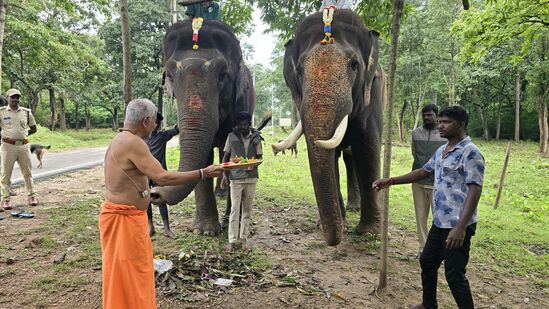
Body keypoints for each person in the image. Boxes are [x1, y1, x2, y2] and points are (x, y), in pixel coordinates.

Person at [99, 98, 224, 309]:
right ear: (146, 121)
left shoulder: (119, 139)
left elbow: (129, 180)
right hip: (124, 221)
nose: (157, 125)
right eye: (155, 120)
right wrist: (203, 172)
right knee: (132, 274)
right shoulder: (134, 142)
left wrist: (147, 192)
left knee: (123, 274)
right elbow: (163, 177)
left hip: (121, 217)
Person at [373, 106, 484, 309]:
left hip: (457, 225)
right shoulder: (442, 150)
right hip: (440, 221)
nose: (441, 125)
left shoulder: (471, 153)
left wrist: (460, 227)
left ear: (460, 125)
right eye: (440, 121)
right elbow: (423, 171)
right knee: (427, 261)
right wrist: (391, 180)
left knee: (454, 274)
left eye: (446, 122)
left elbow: (475, 190)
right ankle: (428, 304)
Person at [221, 111, 263, 252]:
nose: (243, 127)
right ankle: (232, 241)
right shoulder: (231, 137)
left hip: (251, 178)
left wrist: (254, 164)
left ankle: (243, 240)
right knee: (234, 209)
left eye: (245, 124)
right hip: (236, 178)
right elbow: (225, 157)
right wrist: (224, 176)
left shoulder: (256, 138)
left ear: (249, 124)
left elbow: (259, 157)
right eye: (241, 124)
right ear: (238, 125)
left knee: (247, 210)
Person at [411, 104, 446, 257]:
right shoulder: (416, 133)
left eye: (430, 115)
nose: (427, 117)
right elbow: (414, 152)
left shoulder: (444, 134)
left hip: (437, 183)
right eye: (424, 115)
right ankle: (423, 248)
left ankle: (439, 249)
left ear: (436, 117)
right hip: (418, 182)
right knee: (420, 216)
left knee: (439, 218)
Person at [0, 89, 38, 210]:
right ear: (7, 98)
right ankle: (5, 199)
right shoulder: (1, 112)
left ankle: (31, 196)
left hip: (23, 146)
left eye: (17, 97)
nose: (15, 99)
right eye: (12, 97)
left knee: (27, 172)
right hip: (7, 146)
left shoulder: (26, 113)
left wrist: (23, 136)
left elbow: (33, 128)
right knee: (5, 174)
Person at [145, 112, 179, 238]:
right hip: (145, 175)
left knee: (161, 199)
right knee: (146, 200)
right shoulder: (142, 137)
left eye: (158, 124)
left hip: (159, 174)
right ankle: (150, 227)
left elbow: (177, 130)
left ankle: (167, 229)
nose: (156, 126)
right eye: (154, 123)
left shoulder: (162, 135)